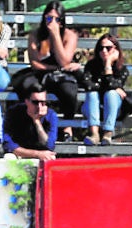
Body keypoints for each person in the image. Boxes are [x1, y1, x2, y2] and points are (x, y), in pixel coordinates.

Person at [26, 1, 81, 142]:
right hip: (42, 72)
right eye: (49, 18)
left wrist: (56, 36)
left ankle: (67, 125)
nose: (52, 22)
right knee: (28, 88)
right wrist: (55, 68)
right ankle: (31, 125)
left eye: (57, 19)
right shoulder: (36, 35)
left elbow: (64, 61)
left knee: (69, 91)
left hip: (62, 75)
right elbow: (35, 63)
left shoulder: (70, 36)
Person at [83, 33, 129, 145]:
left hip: (113, 108)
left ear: (116, 50)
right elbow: (87, 85)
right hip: (92, 107)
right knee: (93, 94)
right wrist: (112, 87)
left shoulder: (122, 69)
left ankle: (107, 133)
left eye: (108, 48)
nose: (104, 51)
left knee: (111, 94)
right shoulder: (90, 66)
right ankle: (94, 134)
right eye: (101, 47)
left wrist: (108, 64)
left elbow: (114, 85)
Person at [3, 89, 59, 160]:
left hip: (41, 152)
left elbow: (49, 146)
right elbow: (8, 145)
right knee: (8, 157)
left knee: (50, 157)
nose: (39, 106)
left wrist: (37, 121)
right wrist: (37, 154)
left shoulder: (51, 115)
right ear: (27, 101)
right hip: (19, 153)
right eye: (35, 102)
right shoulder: (13, 113)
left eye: (43, 102)